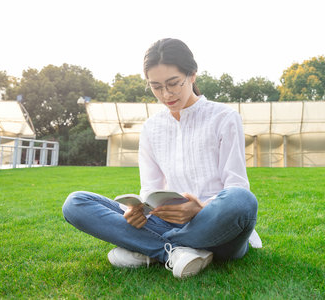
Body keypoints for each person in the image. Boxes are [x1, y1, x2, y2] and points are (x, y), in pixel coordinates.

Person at [62, 38, 261, 279]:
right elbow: (150, 190)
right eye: (156, 87)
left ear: (192, 75)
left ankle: (147, 249)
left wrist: (199, 209)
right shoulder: (151, 128)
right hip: (166, 221)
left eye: (173, 83)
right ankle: (172, 252)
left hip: (216, 224)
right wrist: (137, 211)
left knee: (242, 201)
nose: (166, 94)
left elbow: (236, 185)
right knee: (76, 203)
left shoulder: (224, 117)